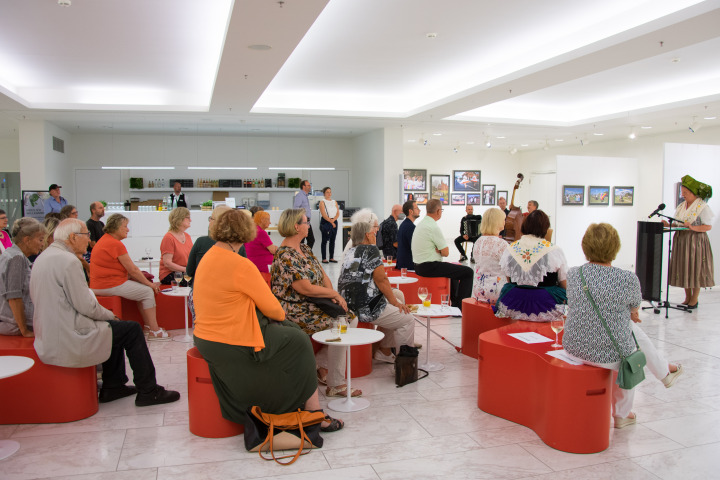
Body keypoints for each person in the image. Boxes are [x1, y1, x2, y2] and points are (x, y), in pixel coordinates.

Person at [191, 209, 343, 431]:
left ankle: (301, 401)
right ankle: (313, 411)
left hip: (205, 337)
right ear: (246, 232)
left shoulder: (209, 257)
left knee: (289, 333)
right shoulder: (241, 264)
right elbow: (276, 311)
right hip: (231, 339)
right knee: (298, 340)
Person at [29, 219, 181, 406]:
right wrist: (111, 315)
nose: (89, 240)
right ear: (72, 237)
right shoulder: (68, 261)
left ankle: (114, 386)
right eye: (86, 235)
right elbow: (85, 305)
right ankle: (148, 390)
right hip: (69, 333)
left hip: (52, 330)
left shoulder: (45, 257)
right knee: (131, 329)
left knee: (115, 329)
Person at [563, 223, 683, 428]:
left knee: (629, 332)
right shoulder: (627, 278)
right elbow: (635, 309)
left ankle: (664, 371)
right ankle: (622, 413)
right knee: (630, 351)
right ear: (615, 247)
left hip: (574, 346)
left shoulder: (574, 274)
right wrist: (631, 315)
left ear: (585, 246)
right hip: (607, 355)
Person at [271, 208, 360, 398]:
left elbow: (323, 274)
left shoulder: (304, 248)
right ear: (296, 227)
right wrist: (333, 294)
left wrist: (332, 296)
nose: (309, 225)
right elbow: (305, 288)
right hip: (293, 307)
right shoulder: (285, 254)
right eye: (306, 222)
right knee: (343, 323)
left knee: (349, 318)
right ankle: (335, 383)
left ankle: (320, 365)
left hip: (312, 301)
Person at [338, 210, 415, 364]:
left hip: (349, 302)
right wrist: (395, 303)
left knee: (396, 297)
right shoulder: (371, 250)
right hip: (365, 307)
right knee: (407, 319)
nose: (376, 232)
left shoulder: (350, 251)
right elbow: (382, 280)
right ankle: (405, 365)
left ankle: (385, 349)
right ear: (367, 234)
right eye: (374, 230)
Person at [89, 214, 169, 340]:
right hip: (108, 284)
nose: (128, 229)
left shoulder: (105, 240)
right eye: (125, 226)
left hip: (100, 284)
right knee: (147, 291)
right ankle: (154, 331)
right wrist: (151, 284)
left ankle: (148, 327)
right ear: (115, 227)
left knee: (142, 290)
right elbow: (133, 270)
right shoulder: (115, 244)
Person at [495, 210, 568, 321]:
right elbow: (564, 283)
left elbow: (509, 279)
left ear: (525, 226)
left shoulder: (511, 248)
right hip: (546, 305)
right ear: (545, 228)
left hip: (514, 303)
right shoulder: (554, 250)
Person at [412, 199, 474, 310]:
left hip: (418, 265)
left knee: (454, 270)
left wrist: (439, 249)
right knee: (468, 272)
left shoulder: (420, 224)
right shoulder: (433, 227)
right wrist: (440, 250)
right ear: (438, 211)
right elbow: (446, 252)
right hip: (430, 267)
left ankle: (455, 303)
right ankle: (461, 307)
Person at [665, 175, 714, 308]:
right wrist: (668, 224)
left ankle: (694, 298)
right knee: (684, 268)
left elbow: (708, 226)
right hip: (682, 241)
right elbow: (678, 223)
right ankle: (687, 297)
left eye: (685, 193)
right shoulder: (682, 206)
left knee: (695, 268)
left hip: (696, 242)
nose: (683, 195)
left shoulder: (702, 207)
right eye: (682, 192)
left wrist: (692, 227)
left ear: (693, 193)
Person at [186, 205, 236, 321]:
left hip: (201, 294)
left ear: (216, 221)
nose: (209, 221)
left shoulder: (201, 242)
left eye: (211, 218)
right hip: (228, 296)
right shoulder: (238, 245)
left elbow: (190, 270)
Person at [0, 218, 45, 336]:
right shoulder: (17, 258)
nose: (42, 244)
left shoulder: (11, 253)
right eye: (40, 239)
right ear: (27, 240)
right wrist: (24, 330)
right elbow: (14, 297)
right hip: (13, 325)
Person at [471, 208, 509, 304]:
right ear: (497, 222)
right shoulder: (502, 244)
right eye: (503, 219)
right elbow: (510, 271)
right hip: (497, 291)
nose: (505, 222)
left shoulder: (478, 242)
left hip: (477, 290)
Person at [159, 207, 193, 285]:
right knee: (193, 282)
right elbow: (167, 263)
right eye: (188, 218)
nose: (190, 220)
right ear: (180, 219)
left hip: (184, 272)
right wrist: (186, 270)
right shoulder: (169, 238)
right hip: (169, 273)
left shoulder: (187, 236)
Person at [396, 200, 420, 270]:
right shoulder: (410, 227)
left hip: (403, 264)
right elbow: (415, 248)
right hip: (408, 266)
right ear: (411, 211)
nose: (419, 210)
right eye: (417, 208)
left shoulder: (404, 225)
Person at [318, 186, 339, 263]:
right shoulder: (322, 202)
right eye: (327, 192)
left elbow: (337, 213)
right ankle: (324, 258)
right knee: (324, 240)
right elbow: (324, 214)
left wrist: (333, 221)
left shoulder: (334, 202)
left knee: (332, 240)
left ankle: (331, 257)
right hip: (326, 221)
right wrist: (331, 222)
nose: (329, 193)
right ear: (324, 193)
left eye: (330, 192)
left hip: (334, 221)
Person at [292, 179, 315, 249]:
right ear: (303, 186)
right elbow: (295, 208)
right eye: (308, 185)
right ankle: (301, 256)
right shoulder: (300, 195)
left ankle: (305, 255)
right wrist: (301, 219)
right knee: (302, 240)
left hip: (307, 221)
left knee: (311, 240)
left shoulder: (305, 196)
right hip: (302, 221)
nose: (310, 187)